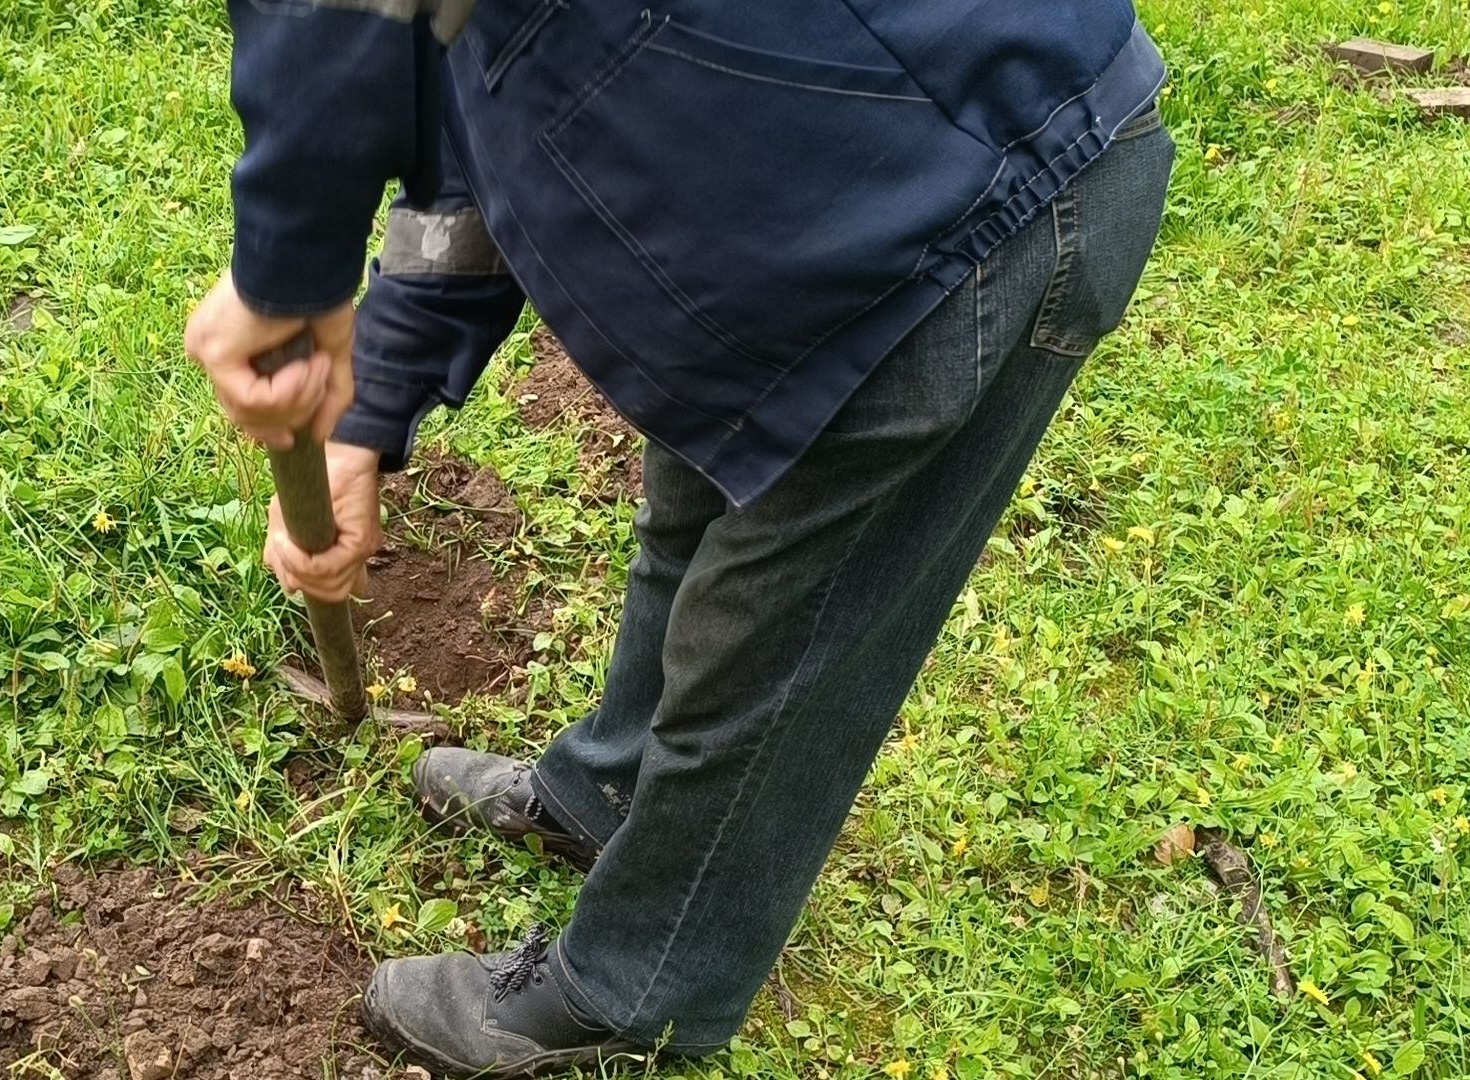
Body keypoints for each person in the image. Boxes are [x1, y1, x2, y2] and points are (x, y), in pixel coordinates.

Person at [184, 2, 1175, 1075]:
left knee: (777, 648)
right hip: (802, 202)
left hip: (977, 195)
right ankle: (605, 788)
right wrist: (367, 418)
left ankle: (640, 988)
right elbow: (476, 144)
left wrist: (287, 256)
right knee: (692, 506)